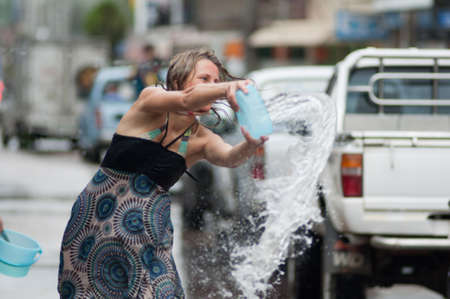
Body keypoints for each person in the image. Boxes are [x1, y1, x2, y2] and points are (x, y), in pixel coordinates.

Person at [57, 48, 268, 298]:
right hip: (94, 222)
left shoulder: (201, 138)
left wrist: (251, 144)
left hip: (145, 231)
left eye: (217, 81)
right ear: (178, 80)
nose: (213, 86)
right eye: (204, 79)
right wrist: (228, 88)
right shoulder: (150, 101)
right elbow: (187, 100)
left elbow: (230, 157)